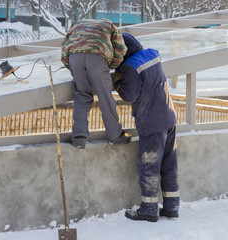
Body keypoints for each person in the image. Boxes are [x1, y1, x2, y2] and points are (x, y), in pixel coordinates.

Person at [114, 33, 180, 222]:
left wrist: (118, 81)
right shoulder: (153, 53)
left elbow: (130, 95)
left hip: (151, 122)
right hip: (169, 117)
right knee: (169, 164)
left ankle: (149, 209)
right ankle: (172, 207)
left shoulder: (129, 67)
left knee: (149, 166)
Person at [61, 19, 131, 149]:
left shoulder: (77, 24)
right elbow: (121, 49)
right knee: (105, 97)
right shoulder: (110, 24)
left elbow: (65, 46)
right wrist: (109, 66)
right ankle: (115, 135)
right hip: (97, 56)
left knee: (81, 96)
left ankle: (79, 138)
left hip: (74, 56)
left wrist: (72, 66)